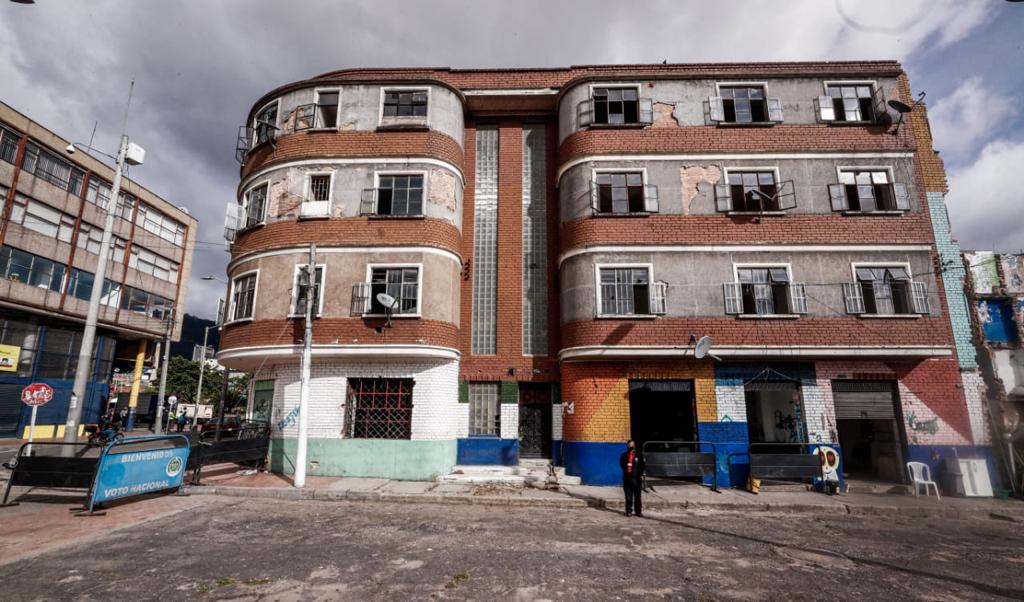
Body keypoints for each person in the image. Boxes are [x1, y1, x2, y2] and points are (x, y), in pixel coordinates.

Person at [619, 439, 644, 517]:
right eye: (629, 445)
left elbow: (642, 466)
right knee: (628, 496)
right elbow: (621, 464)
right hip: (627, 478)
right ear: (627, 445)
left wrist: (640, 474)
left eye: (632, 444)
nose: (631, 446)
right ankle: (629, 511)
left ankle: (638, 511)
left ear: (634, 445)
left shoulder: (639, 455)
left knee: (637, 496)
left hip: (636, 479)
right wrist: (627, 471)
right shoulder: (624, 455)